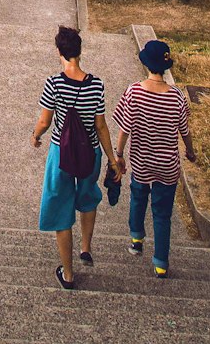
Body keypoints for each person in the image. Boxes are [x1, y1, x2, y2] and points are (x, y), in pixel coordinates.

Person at [32, 24, 122, 290]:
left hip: (62, 153)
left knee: (61, 209)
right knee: (87, 195)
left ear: (59, 51)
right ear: (79, 52)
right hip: (90, 152)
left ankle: (68, 274)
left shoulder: (54, 83)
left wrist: (35, 135)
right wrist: (112, 158)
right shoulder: (96, 85)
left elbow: (45, 120)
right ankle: (86, 247)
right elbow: (101, 125)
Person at [113, 38, 197, 279]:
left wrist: (119, 155)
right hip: (167, 163)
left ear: (147, 65)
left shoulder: (134, 91)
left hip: (142, 159)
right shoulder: (177, 97)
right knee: (162, 212)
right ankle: (160, 263)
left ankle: (136, 239)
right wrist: (190, 152)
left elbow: (124, 128)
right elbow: (185, 130)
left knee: (138, 197)